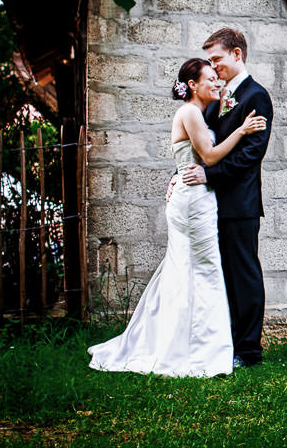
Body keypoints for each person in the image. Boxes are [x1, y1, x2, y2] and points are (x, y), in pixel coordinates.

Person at [87, 58, 267, 377]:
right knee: (202, 269)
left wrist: (181, 173)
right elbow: (209, 156)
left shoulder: (197, 112)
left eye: (218, 77)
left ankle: (197, 343)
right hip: (193, 199)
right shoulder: (190, 112)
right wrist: (241, 130)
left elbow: (192, 158)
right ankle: (198, 349)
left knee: (192, 269)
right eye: (210, 78)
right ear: (193, 85)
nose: (217, 83)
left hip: (196, 196)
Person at [179, 28, 273, 368]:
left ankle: (248, 351)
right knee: (218, 275)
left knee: (243, 275)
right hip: (209, 201)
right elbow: (200, 145)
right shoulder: (216, 96)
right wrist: (182, 176)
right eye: (211, 60)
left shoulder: (256, 96)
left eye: (217, 58)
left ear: (237, 54)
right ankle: (222, 343)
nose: (213, 66)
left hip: (239, 203)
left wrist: (210, 174)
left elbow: (251, 154)